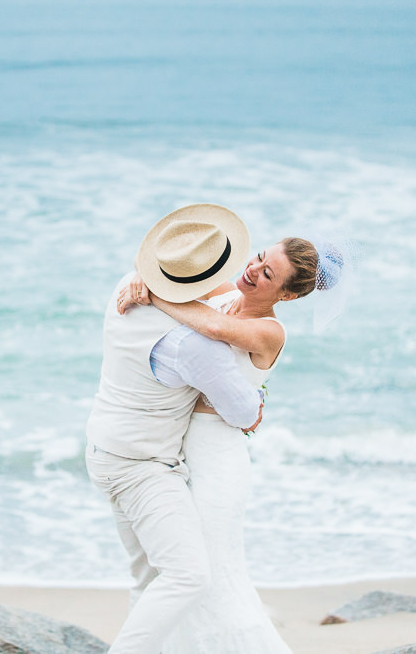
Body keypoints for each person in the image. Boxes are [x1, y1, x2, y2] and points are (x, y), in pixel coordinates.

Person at [116, 235, 345, 654]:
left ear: (288, 295)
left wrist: (155, 297)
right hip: (178, 456)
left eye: (268, 273)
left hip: (218, 465)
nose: (253, 269)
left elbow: (214, 327)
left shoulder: (269, 330)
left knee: (210, 576)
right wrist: (138, 279)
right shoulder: (225, 292)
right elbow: (157, 259)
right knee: (176, 571)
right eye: (259, 257)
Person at [85, 203, 268, 654]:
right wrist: (257, 403)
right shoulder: (192, 345)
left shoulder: (123, 289)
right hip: (142, 466)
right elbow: (244, 413)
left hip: (102, 448)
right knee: (187, 576)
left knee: (147, 578)